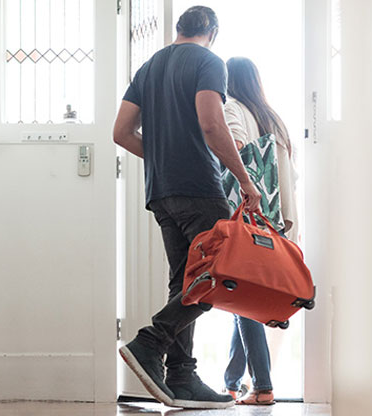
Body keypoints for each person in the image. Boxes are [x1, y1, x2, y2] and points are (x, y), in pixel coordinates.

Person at [112, 6, 262, 410]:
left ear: (179, 29)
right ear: (212, 32)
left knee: (184, 282)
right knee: (218, 274)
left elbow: (121, 132)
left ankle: (181, 377)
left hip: (161, 191)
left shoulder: (149, 67)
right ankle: (151, 342)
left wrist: (161, 158)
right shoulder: (209, 62)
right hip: (198, 186)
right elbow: (212, 123)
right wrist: (246, 181)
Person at [221, 57, 299, 405]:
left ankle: (263, 386)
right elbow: (289, 175)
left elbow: (235, 145)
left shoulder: (232, 106)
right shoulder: (272, 117)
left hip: (250, 215)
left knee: (244, 297)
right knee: (246, 296)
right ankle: (232, 380)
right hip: (277, 219)